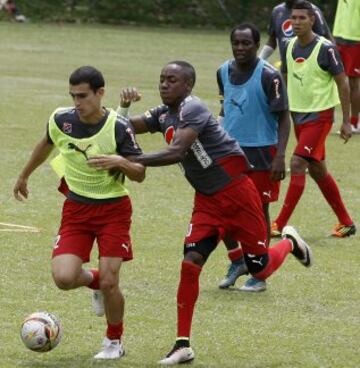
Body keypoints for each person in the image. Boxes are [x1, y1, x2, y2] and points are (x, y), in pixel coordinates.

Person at [90, 60, 313, 365]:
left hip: (238, 195)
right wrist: (124, 108)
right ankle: (183, 344)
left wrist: (127, 161)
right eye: (162, 79)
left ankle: (289, 242)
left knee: (259, 268)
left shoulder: (192, 109)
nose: (165, 84)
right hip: (207, 201)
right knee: (190, 263)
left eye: (172, 80)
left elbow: (176, 152)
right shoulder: (163, 113)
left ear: (188, 86)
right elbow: (125, 127)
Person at [13, 66, 145, 360]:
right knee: (63, 278)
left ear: (100, 93)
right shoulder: (61, 120)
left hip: (113, 210)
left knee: (113, 282)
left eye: (83, 96)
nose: (77, 102)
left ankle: (114, 342)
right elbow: (45, 144)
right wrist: (24, 175)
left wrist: (118, 161)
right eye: (73, 96)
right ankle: (96, 282)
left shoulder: (119, 127)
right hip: (76, 209)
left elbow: (139, 172)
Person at [271, 0, 356, 238]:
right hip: (298, 116)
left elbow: (343, 82)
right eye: (293, 18)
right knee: (318, 170)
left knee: (298, 163)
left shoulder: (326, 48)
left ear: (313, 20)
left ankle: (278, 224)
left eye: (302, 18)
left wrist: (346, 121)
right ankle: (346, 222)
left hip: (320, 117)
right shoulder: (287, 46)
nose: (296, 22)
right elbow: (285, 79)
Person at [216, 23, 291, 292]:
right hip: (230, 152)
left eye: (246, 43)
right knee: (222, 209)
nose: (240, 48)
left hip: (263, 153)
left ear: (257, 45)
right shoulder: (222, 71)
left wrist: (280, 156)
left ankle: (259, 274)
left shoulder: (269, 76)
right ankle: (238, 260)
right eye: (236, 42)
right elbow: (224, 108)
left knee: (258, 211)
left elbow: (283, 117)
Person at [259, 0, 333, 73]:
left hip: (311, 69)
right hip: (287, 68)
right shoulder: (277, 11)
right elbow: (272, 41)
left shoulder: (312, 10)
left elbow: (327, 39)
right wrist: (259, 60)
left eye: (301, 18)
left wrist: (332, 64)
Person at [333, 0, 360, 133]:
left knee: (353, 83)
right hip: (339, 37)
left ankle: (355, 122)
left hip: (355, 38)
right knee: (339, 80)